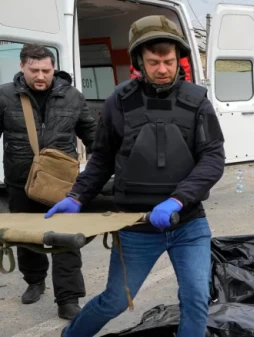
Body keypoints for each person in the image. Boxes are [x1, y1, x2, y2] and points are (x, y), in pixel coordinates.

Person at [48, 15, 226, 337]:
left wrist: (177, 199)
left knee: (197, 297)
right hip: (134, 224)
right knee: (115, 300)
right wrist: (77, 196)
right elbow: (102, 157)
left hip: (188, 222)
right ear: (139, 61)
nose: (162, 69)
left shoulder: (198, 102)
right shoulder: (119, 101)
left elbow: (213, 158)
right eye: (154, 62)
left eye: (169, 61)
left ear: (178, 59)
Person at [0, 43, 96, 320]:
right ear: (22, 67)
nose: (41, 76)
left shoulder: (72, 97)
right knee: (27, 239)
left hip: (62, 185)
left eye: (46, 70)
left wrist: (107, 168)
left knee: (66, 242)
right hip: (21, 183)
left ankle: (68, 298)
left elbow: (91, 135)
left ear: (54, 68)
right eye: (34, 70)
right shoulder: (5, 96)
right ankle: (35, 281)